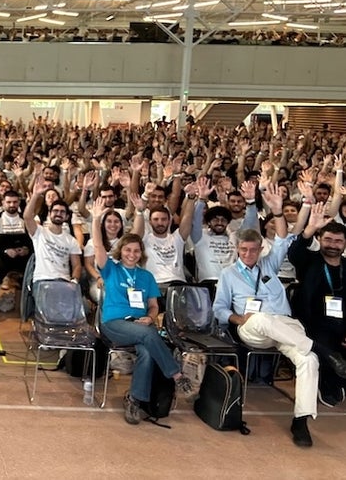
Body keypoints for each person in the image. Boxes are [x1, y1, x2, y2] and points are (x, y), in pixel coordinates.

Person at [213, 184, 346, 447]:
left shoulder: (269, 264)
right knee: (261, 318)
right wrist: (239, 319)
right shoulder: (228, 274)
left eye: (253, 249)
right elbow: (219, 309)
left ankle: (301, 421)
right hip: (253, 329)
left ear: (261, 248)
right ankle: (324, 350)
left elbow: (286, 240)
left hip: (285, 327)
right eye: (244, 250)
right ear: (237, 249)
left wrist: (276, 212)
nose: (249, 254)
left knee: (307, 360)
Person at [91, 197, 194, 425]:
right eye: (128, 250)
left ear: (141, 253)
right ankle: (177, 375)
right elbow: (98, 246)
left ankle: (134, 399)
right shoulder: (111, 269)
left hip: (140, 324)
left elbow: (154, 305)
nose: (132, 254)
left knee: (147, 352)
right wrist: (96, 219)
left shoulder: (146, 276)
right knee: (150, 335)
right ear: (121, 251)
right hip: (114, 324)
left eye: (136, 251)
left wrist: (150, 316)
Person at [288, 204, 346, 408]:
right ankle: (329, 385)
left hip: (342, 323)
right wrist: (310, 228)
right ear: (320, 240)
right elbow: (294, 252)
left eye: (338, 241)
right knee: (326, 344)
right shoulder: (309, 261)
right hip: (313, 324)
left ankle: (339, 380)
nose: (333, 245)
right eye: (328, 239)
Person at [0, 190, 34, 329]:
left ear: (19, 203)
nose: (12, 205)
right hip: (2, 254)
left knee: (33, 273)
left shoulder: (25, 219)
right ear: (3, 203)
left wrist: (26, 249)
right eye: (8, 202)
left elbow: (33, 239)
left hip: (22, 255)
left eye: (15, 202)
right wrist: (3, 250)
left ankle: (30, 308)